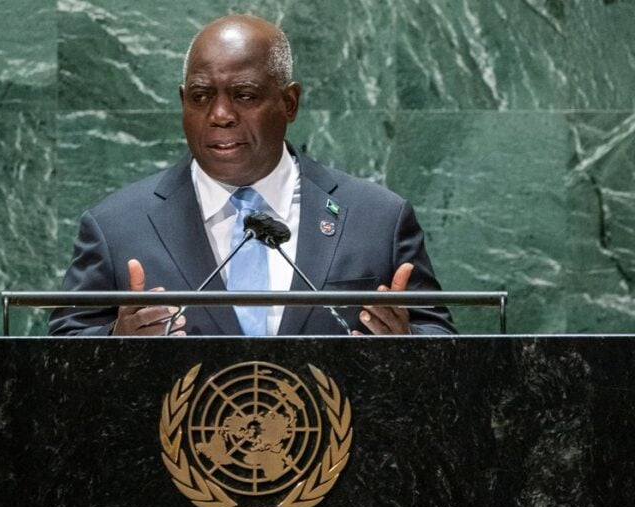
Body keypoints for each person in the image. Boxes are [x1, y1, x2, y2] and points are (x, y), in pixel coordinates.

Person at [49, 14, 455, 337]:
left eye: (244, 95)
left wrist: (406, 344)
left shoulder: (378, 218)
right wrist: (116, 342)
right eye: (201, 97)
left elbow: (442, 341)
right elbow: (60, 355)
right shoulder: (117, 227)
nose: (220, 116)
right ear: (182, 102)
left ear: (289, 103)